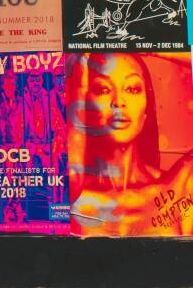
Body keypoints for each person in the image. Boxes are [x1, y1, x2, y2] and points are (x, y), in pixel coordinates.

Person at [68, 52, 193, 236]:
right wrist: (78, 85)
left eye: (132, 89)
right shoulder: (67, 196)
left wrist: (152, 45)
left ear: (146, 108)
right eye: (103, 89)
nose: (119, 102)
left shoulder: (181, 187)